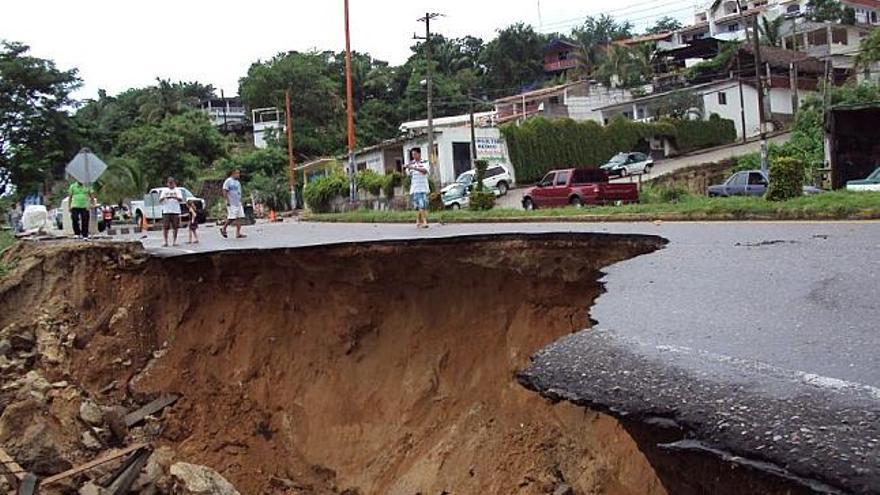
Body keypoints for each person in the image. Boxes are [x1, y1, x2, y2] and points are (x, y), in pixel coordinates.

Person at [403, 147, 430, 229]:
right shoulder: (411, 164)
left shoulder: (425, 162)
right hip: (415, 188)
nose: (413, 156)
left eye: (415, 154)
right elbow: (407, 175)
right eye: (412, 155)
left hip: (424, 187)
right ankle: (424, 222)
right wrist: (405, 168)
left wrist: (413, 167)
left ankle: (418, 221)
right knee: (421, 204)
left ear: (419, 154)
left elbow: (424, 171)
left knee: (424, 205)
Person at [220, 169, 246, 239]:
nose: (238, 175)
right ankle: (223, 228)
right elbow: (224, 190)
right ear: (233, 173)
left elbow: (239, 192)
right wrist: (227, 200)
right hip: (231, 202)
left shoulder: (237, 182)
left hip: (238, 202)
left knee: (239, 217)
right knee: (232, 217)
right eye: (237, 173)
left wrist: (241, 200)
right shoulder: (228, 181)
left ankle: (238, 233)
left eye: (239, 173)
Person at [159, 177, 183, 247]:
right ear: (167, 183)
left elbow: (180, 199)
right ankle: (165, 241)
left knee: (175, 227)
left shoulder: (178, 190)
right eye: (169, 183)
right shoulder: (164, 190)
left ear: (174, 183)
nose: (171, 184)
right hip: (166, 211)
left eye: (172, 183)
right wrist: (165, 197)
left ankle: (174, 241)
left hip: (175, 211)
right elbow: (160, 200)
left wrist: (174, 197)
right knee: (165, 227)